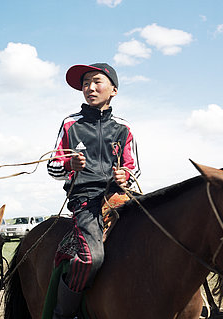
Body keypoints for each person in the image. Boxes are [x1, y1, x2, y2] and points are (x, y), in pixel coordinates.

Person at [47, 62, 140, 319]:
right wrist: (70, 164)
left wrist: (125, 175)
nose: (89, 87)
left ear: (114, 90)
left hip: (119, 197)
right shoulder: (70, 124)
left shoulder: (124, 127)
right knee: (92, 258)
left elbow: (135, 168)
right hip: (85, 200)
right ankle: (64, 313)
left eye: (96, 81)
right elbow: (53, 167)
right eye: (85, 83)